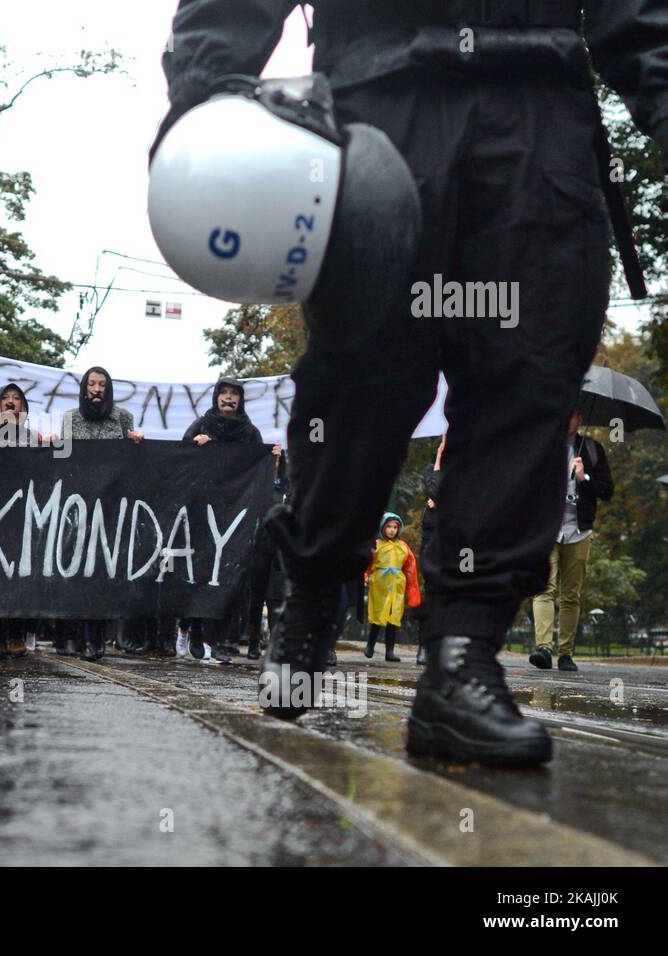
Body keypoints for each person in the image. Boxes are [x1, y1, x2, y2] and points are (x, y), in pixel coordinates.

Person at [158, 1, 665, 766]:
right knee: (362, 384)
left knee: (529, 384)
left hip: (541, 103)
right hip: (380, 90)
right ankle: (314, 591)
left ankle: (463, 659)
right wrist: (203, 97)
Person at [184, 376, 279, 662]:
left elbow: (264, 478)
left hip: (237, 515)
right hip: (204, 511)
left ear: (240, 400)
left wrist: (273, 460)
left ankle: (223, 640)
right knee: (202, 572)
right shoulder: (201, 425)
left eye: (234, 393)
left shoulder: (250, 432)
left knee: (233, 577)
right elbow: (180, 462)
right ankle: (197, 629)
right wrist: (194, 445)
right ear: (216, 397)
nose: (228, 397)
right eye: (223, 392)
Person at [61, 366, 143, 660]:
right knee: (80, 571)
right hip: (80, 505)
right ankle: (80, 635)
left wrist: (137, 445)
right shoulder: (70, 419)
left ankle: (98, 636)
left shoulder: (123, 419)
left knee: (104, 571)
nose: (97, 389)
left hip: (110, 507)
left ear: (108, 389)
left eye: (102, 384)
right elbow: (64, 461)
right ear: (84, 389)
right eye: (91, 384)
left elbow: (131, 464)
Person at [530, 408, 614, 673]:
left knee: (571, 595)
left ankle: (565, 653)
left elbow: (608, 490)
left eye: (574, 414)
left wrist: (583, 477)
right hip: (547, 527)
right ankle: (543, 648)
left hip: (579, 530)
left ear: (580, 420)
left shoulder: (591, 449)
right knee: (544, 587)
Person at [0, 382, 46, 658]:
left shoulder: (33, 439)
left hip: (22, 515)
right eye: (5, 397)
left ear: (23, 408)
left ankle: (17, 635)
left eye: (16, 398)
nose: (10, 402)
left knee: (19, 575)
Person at [364, 513, 419, 663]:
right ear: (382, 527)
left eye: (395, 527)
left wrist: (412, 589)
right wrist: (365, 576)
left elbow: (410, 567)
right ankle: (370, 645)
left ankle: (390, 651)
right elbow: (367, 563)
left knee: (393, 619)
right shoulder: (376, 545)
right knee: (377, 616)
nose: (392, 530)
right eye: (389, 526)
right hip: (380, 585)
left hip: (397, 586)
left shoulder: (403, 547)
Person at [415, 434, 447, 665]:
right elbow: (433, 491)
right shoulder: (430, 470)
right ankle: (424, 646)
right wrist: (437, 460)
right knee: (431, 589)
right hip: (432, 536)